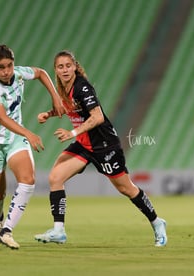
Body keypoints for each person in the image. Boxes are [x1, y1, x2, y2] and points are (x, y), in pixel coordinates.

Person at [34, 50, 167, 247]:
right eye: (60, 67)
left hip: (104, 145)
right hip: (84, 145)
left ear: (74, 66)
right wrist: (49, 113)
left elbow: (98, 117)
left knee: (126, 188)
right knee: (55, 177)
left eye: (68, 66)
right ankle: (59, 231)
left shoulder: (82, 87)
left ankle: (157, 223)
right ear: (56, 70)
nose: (64, 70)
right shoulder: (63, 88)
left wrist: (71, 133)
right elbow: (70, 109)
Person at [0, 42, 64, 249]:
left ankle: (6, 231)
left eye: (10, 65)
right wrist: (29, 134)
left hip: (15, 138)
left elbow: (41, 73)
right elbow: (0, 116)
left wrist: (56, 98)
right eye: (1, 67)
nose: (7, 71)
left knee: (28, 180)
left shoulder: (19, 73)